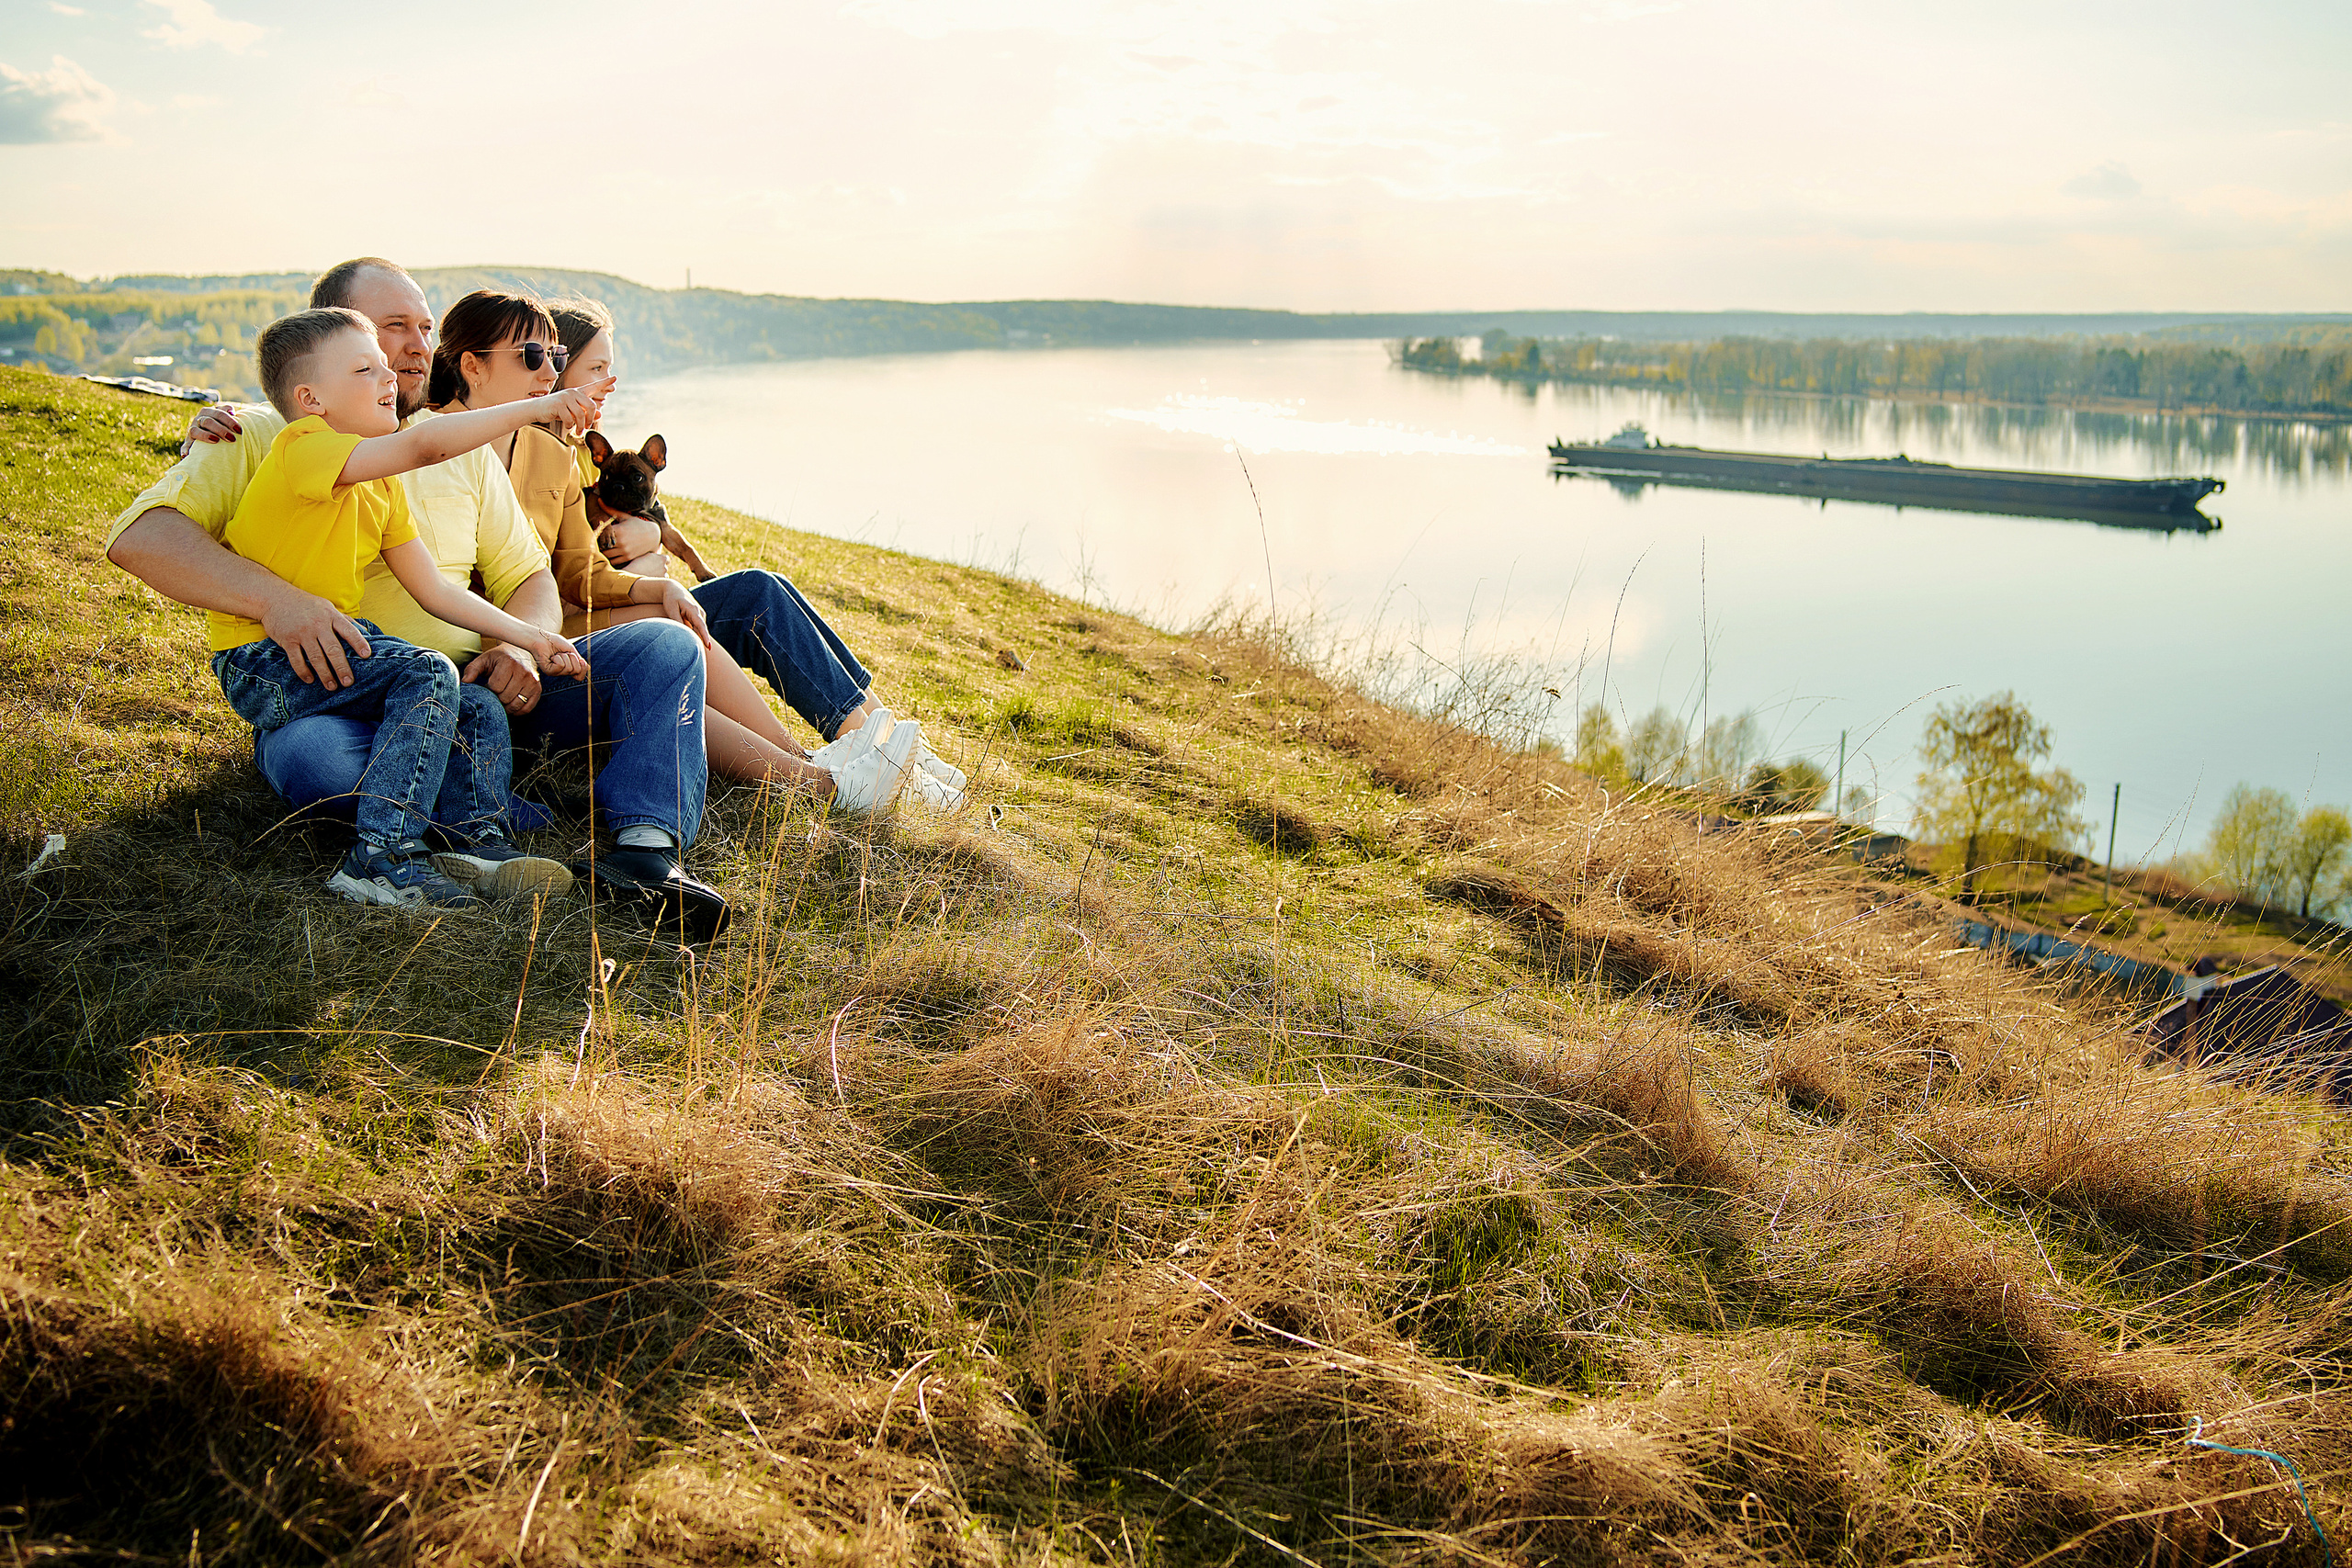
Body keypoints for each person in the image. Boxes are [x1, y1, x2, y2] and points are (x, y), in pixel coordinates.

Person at [108, 257, 729, 942]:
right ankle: (422, 830)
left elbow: (508, 580)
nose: (407, 351)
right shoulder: (269, 432)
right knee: (320, 759)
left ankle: (641, 850)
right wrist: (281, 602)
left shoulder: (439, 456)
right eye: (387, 331)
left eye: (423, 329)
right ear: (320, 361)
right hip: (338, 695)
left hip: (467, 692)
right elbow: (141, 538)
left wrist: (523, 643)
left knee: (665, 646)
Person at [427, 291, 921, 812]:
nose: (552, 373)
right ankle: (822, 778)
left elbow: (577, 568)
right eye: (539, 358)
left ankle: (857, 754)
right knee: (669, 643)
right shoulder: (432, 447)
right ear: (473, 366)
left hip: (555, 628)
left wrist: (657, 578)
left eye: (555, 357)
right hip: (515, 651)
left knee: (736, 598)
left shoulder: (554, 454)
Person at [210, 306, 601, 908]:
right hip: (262, 658)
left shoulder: (382, 486)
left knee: (474, 702)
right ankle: (380, 858)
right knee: (428, 671)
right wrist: (539, 407)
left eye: (383, 366)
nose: (389, 376)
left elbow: (437, 593)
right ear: (311, 399)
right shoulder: (303, 448)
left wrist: (531, 637)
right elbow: (425, 445)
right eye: (364, 370)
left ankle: (476, 842)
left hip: (334, 645)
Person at [546, 299, 966, 808]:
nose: (610, 383)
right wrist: (643, 566)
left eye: (612, 369)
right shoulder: (544, 462)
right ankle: (855, 768)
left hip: (624, 603)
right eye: (597, 369)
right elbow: (571, 575)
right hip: (596, 627)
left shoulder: (580, 452)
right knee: (730, 609)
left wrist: (652, 540)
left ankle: (886, 743)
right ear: (557, 365)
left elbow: (637, 518)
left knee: (762, 589)